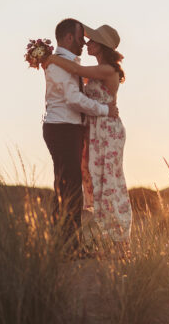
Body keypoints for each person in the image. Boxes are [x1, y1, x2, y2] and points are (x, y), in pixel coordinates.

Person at [44, 23, 132, 257]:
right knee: (97, 183)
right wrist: (49, 60)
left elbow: (75, 71)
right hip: (95, 130)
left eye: (91, 40)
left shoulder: (106, 70)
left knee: (111, 182)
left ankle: (119, 241)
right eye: (85, 38)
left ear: (102, 46)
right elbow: (73, 78)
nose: (86, 42)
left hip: (108, 130)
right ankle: (103, 241)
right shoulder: (98, 69)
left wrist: (49, 58)